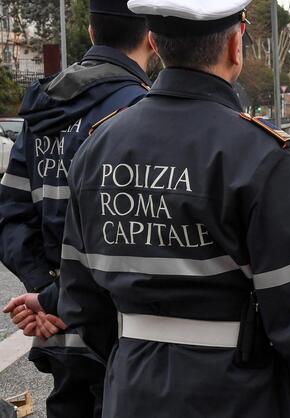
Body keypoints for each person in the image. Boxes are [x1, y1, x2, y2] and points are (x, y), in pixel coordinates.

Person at [57, 1, 290, 417]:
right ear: (235, 44)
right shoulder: (260, 155)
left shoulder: (97, 147)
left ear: (156, 44)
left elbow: (81, 303)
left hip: (130, 389)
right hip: (238, 395)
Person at [0, 1, 154, 416]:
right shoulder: (144, 112)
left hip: (57, 330)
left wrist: (43, 291)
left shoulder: (42, 107)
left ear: (89, 32)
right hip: (120, 333)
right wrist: (58, 299)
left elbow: (11, 214)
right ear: (152, 39)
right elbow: (139, 235)